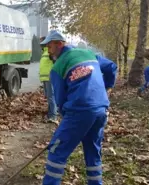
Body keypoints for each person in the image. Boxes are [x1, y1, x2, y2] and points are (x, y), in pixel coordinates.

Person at [40, 30, 117, 185]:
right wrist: (107, 87)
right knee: (93, 150)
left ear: (60, 44)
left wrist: (66, 119)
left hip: (79, 112)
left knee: (57, 151)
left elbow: (60, 99)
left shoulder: (58, 67)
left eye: (50, 46)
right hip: (101, 110)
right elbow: (111, 67)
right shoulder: (89, 54)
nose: (48, 50)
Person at [39, 36, 58, 123]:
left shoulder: (50, 52)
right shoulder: (45, 52)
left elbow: (55, 62)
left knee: (51, 96)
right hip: (45, 78)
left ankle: (53, 116)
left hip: (49, 78)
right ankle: (50, 114)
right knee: (48, 96)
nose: (40, 44)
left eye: (42, 42)